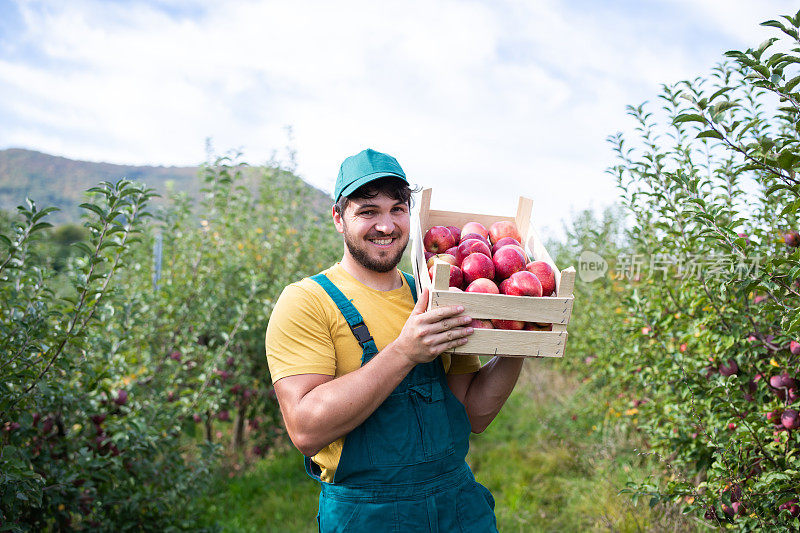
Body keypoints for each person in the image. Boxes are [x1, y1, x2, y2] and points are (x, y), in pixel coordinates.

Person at [265, 148, 525, 532]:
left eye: (397, 209)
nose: (386, 225)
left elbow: (473, 413)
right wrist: (404, 352)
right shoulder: (307, 302)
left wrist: (518, 342)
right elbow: (306, 429)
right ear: (339, 217)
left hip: (456, 508)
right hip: (369, 516)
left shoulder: (436, 294)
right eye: (368, 211)